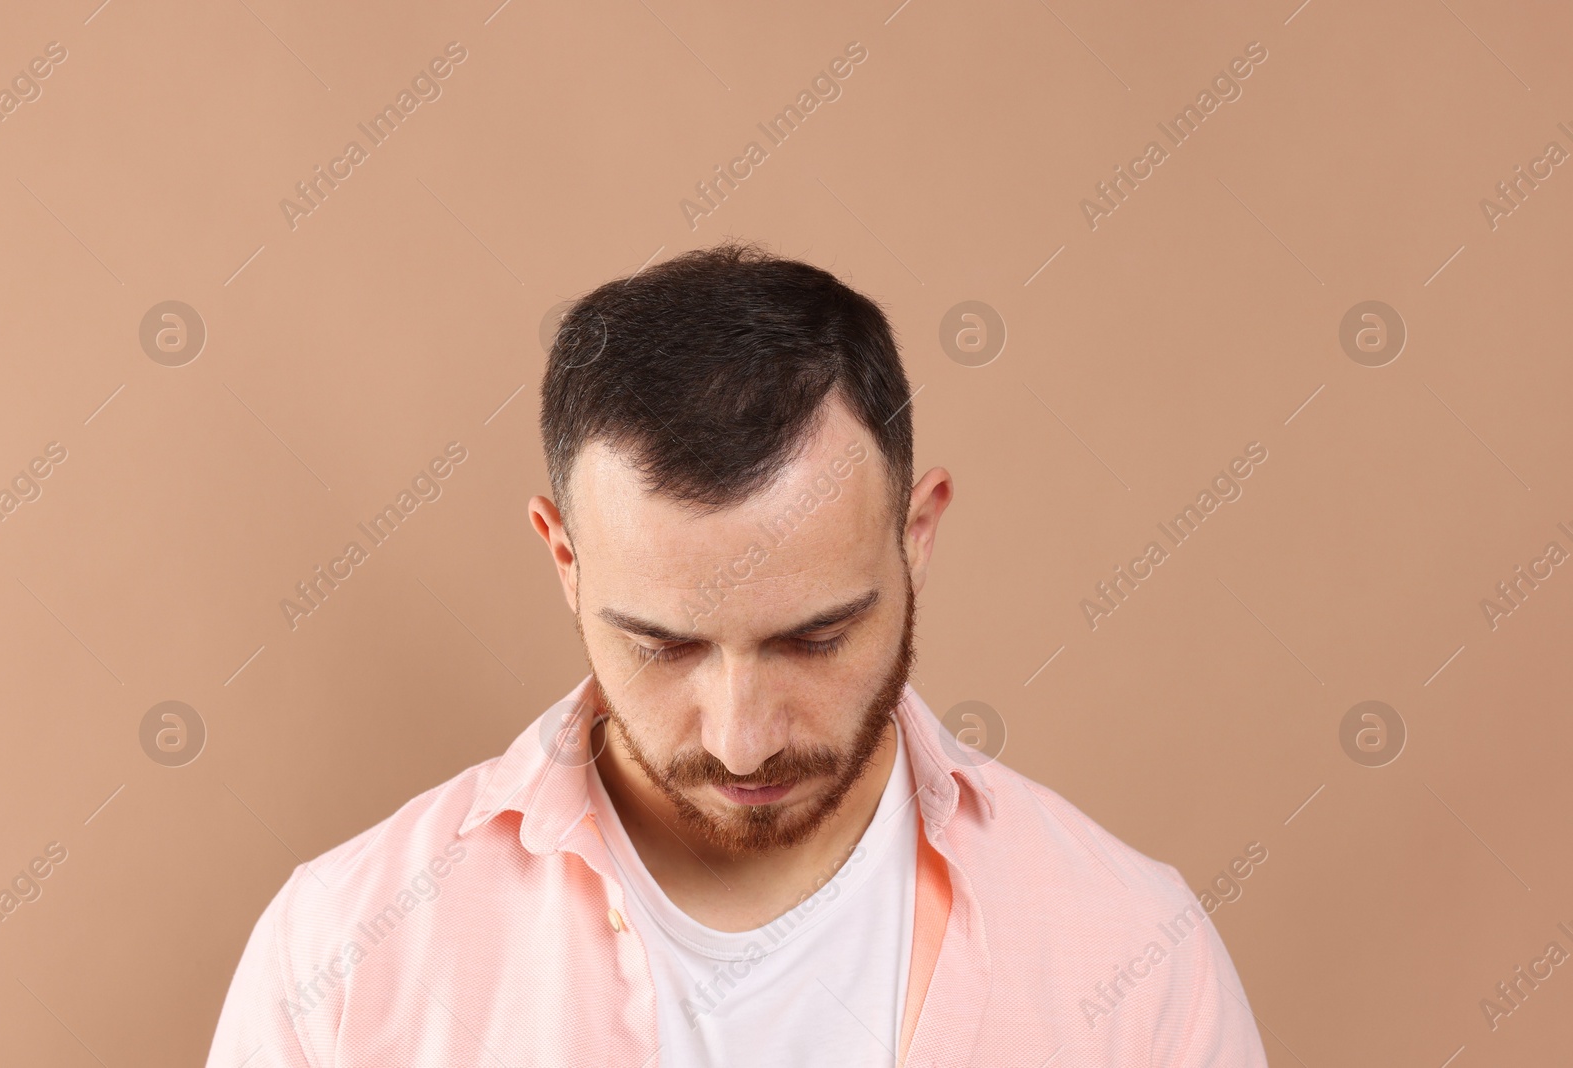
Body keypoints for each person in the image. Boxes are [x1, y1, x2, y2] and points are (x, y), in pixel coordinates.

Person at [205, 240, 1268, 1066]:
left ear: (918, 537)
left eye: (815, 637)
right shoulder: (345, 952)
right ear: (564, 559)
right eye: (662, 648)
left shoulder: (1131, 952)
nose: (742, 739)